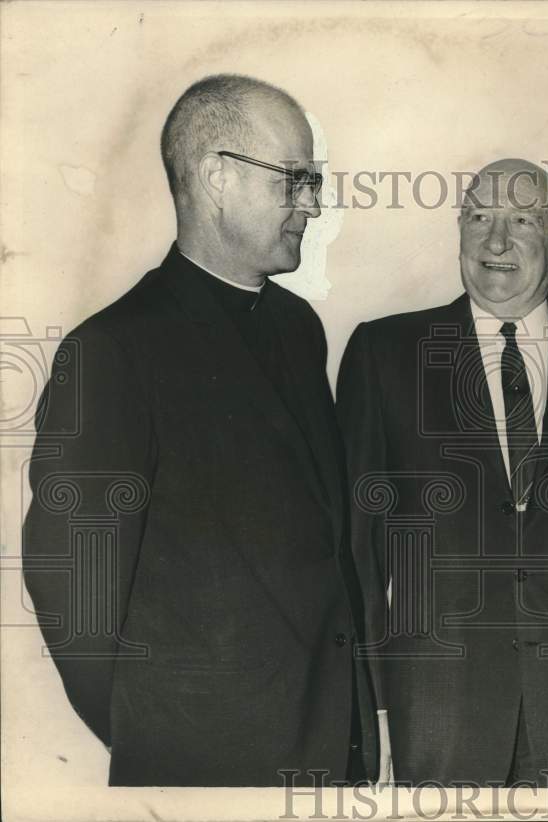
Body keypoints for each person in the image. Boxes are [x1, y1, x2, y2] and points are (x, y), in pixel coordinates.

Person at [22, 74, 373, 786]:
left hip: (330, 756)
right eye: (295, 178)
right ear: (217, 176)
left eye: (315, 180)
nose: (313, 201)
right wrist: (170, 735)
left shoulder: (297, 327)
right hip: (204, 770)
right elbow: (73, 594)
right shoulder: (112, 351)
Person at [336, 158, 548, 787]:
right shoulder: (383, 356)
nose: (496, 240)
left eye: (523, 220)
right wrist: (372, 711)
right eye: (479, 217)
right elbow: (356, 552)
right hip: (432, 719)